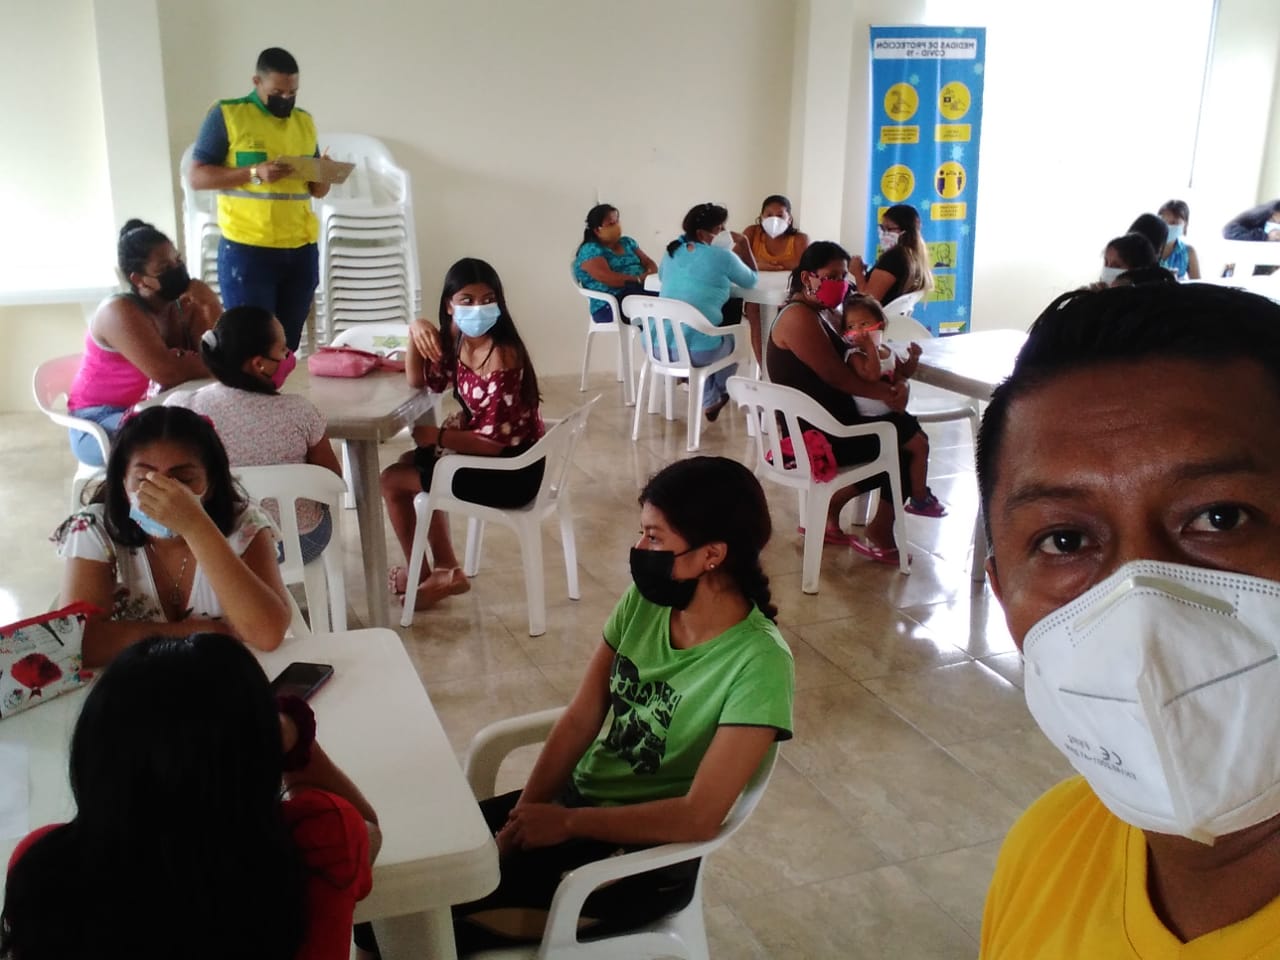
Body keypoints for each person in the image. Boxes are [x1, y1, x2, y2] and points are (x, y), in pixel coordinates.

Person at [975, 282, 1280, 957]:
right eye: (1063, 540)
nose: (1142, 603)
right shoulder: (1046, 848)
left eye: (1221, 518)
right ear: (1000, 593)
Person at [451, 456, 794, 955]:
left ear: (712, 555)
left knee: (420, 920)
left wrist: (566, 824)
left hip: (645, 860)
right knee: (410, 877)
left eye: (653, 537)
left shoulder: (759, 663)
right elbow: (581, 718)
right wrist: (523, 819)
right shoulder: (647, 603)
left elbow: (698, 817)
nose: (638, 549)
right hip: (575, 805)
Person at [0, 632, 379, 960]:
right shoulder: (322, 843)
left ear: (93, 755)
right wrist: (291, 735)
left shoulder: (41, 872)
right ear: (259, 758)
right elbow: (367, 830)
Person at [52, 406, 292, 666]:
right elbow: (77, 645)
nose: (165, 494)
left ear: (210, 484)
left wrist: (196, 527)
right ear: (122, 483)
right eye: (144, 478)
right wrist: (195, 632)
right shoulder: (94, 528)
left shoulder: (245, 524)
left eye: (184, 480)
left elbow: (268, 634)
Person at [380, 258, 545, 609]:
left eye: (488, 299)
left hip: (513, 472)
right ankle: (442, 569)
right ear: (449, 305)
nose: (478, 308)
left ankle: (427, 573)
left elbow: (493, 445)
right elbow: (419, 380)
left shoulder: (502, 354)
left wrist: (438, 437)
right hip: (492, 458)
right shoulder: (460, 341)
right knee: (412, 462)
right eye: (467, 300)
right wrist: (417, 330)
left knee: (392, 480)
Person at [766, 241, 936, 565]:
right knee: (904, 443)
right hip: (816, 436)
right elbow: (837, 377)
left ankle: (830, 513)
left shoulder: (824, 312)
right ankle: (879, 531)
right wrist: (887, 395)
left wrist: (896, 383)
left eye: (844, 276)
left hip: (832, 423)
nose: (840, 283)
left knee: (901, 434)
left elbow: (863, 363)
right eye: (831, 276)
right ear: (808, 277)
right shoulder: (798, 317)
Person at [165, 305, 343, 564]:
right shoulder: (300, 412)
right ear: (259, 364)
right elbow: (331, 479)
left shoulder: (183, 407)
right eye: (282, 350)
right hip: (297, 543)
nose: (288, 356)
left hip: (213, 544)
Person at [188, 47, 331, 352]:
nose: (286, 99)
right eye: (277, 92)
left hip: (300, 248)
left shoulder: (304, 122)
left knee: (286, 346)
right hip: (249, 250)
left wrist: (325, 173)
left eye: (292, 92)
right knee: (251, 344)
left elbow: (317, 190)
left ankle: (280, 385)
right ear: (257, 82)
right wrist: (254, 173)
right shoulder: (228, 114)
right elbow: (197, 178)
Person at [66, 220, 217, 466]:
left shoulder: (180, 305)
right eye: (165, 267)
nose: (177, 270)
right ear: (139, 280)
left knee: (217, 425)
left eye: (178, 260)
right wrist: (213, 363)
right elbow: (168, 372)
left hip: (150, 407)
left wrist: (210, 305)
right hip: (98, 420)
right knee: (181, 443)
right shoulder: (118, 311)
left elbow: (221, 349)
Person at [839, 294, 943, 515]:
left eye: (864, 324)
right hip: (871, 420)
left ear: (880, 325)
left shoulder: (887, 350)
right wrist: (869, 349)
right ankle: (920, 496)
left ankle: (919, 494)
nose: (859, 331)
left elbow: (901, 373)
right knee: (918, 446)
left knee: (922, 443)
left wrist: (912, 359)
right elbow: (871, 375)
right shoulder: (855, 356)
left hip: (893, 415)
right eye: (851, 326)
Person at [657, 203, 758, 421]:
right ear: (702, 233)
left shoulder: (671, 252)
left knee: (707, 336)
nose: (724, 233)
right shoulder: (723, 257)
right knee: (734, 341)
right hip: (695, 351)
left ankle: (699, 386)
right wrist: (744, 244)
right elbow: (751, 280)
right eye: (720, 228)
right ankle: (713, 396)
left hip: (659, 346)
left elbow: (662, 277)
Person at [741, 195, 810, 363]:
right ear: (761, 217)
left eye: (780, 215)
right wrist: (762, 265)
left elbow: (804, 265)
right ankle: (764, 366)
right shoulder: (752, 233)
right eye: (769, 215)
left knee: (788, 314)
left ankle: (781, 366)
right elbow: (737, 260)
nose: (774, 220)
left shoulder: (800, 239)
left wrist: (762, 264)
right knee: (754, 309)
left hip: (788, 294)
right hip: (756, 294)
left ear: (789, 219)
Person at [572, 204, 658, 324]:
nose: (616, 226)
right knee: (662, 309)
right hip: (610, 304)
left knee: (671, 297)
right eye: (611, 224)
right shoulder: (591, 250)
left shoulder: (627, 242)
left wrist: (650, 274)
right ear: (597, 230)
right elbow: (608, 278)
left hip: (639, 293)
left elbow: (648, 262)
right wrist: (639, 279)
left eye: (617, 221)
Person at [850, 203, 934, 306]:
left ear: (905, 231)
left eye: (889, 229)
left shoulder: (894, 258)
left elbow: (868, 301)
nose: (883, 233)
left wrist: (858, 273)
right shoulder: (912, 256)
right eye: (882, 228)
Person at [1157, 199, 1200, 280]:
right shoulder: (1147, 248)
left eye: (1174, 223)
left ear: (1185, 225)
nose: (1168, 226)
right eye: (1164, 222)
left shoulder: (1188, 252)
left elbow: (1198, 284)